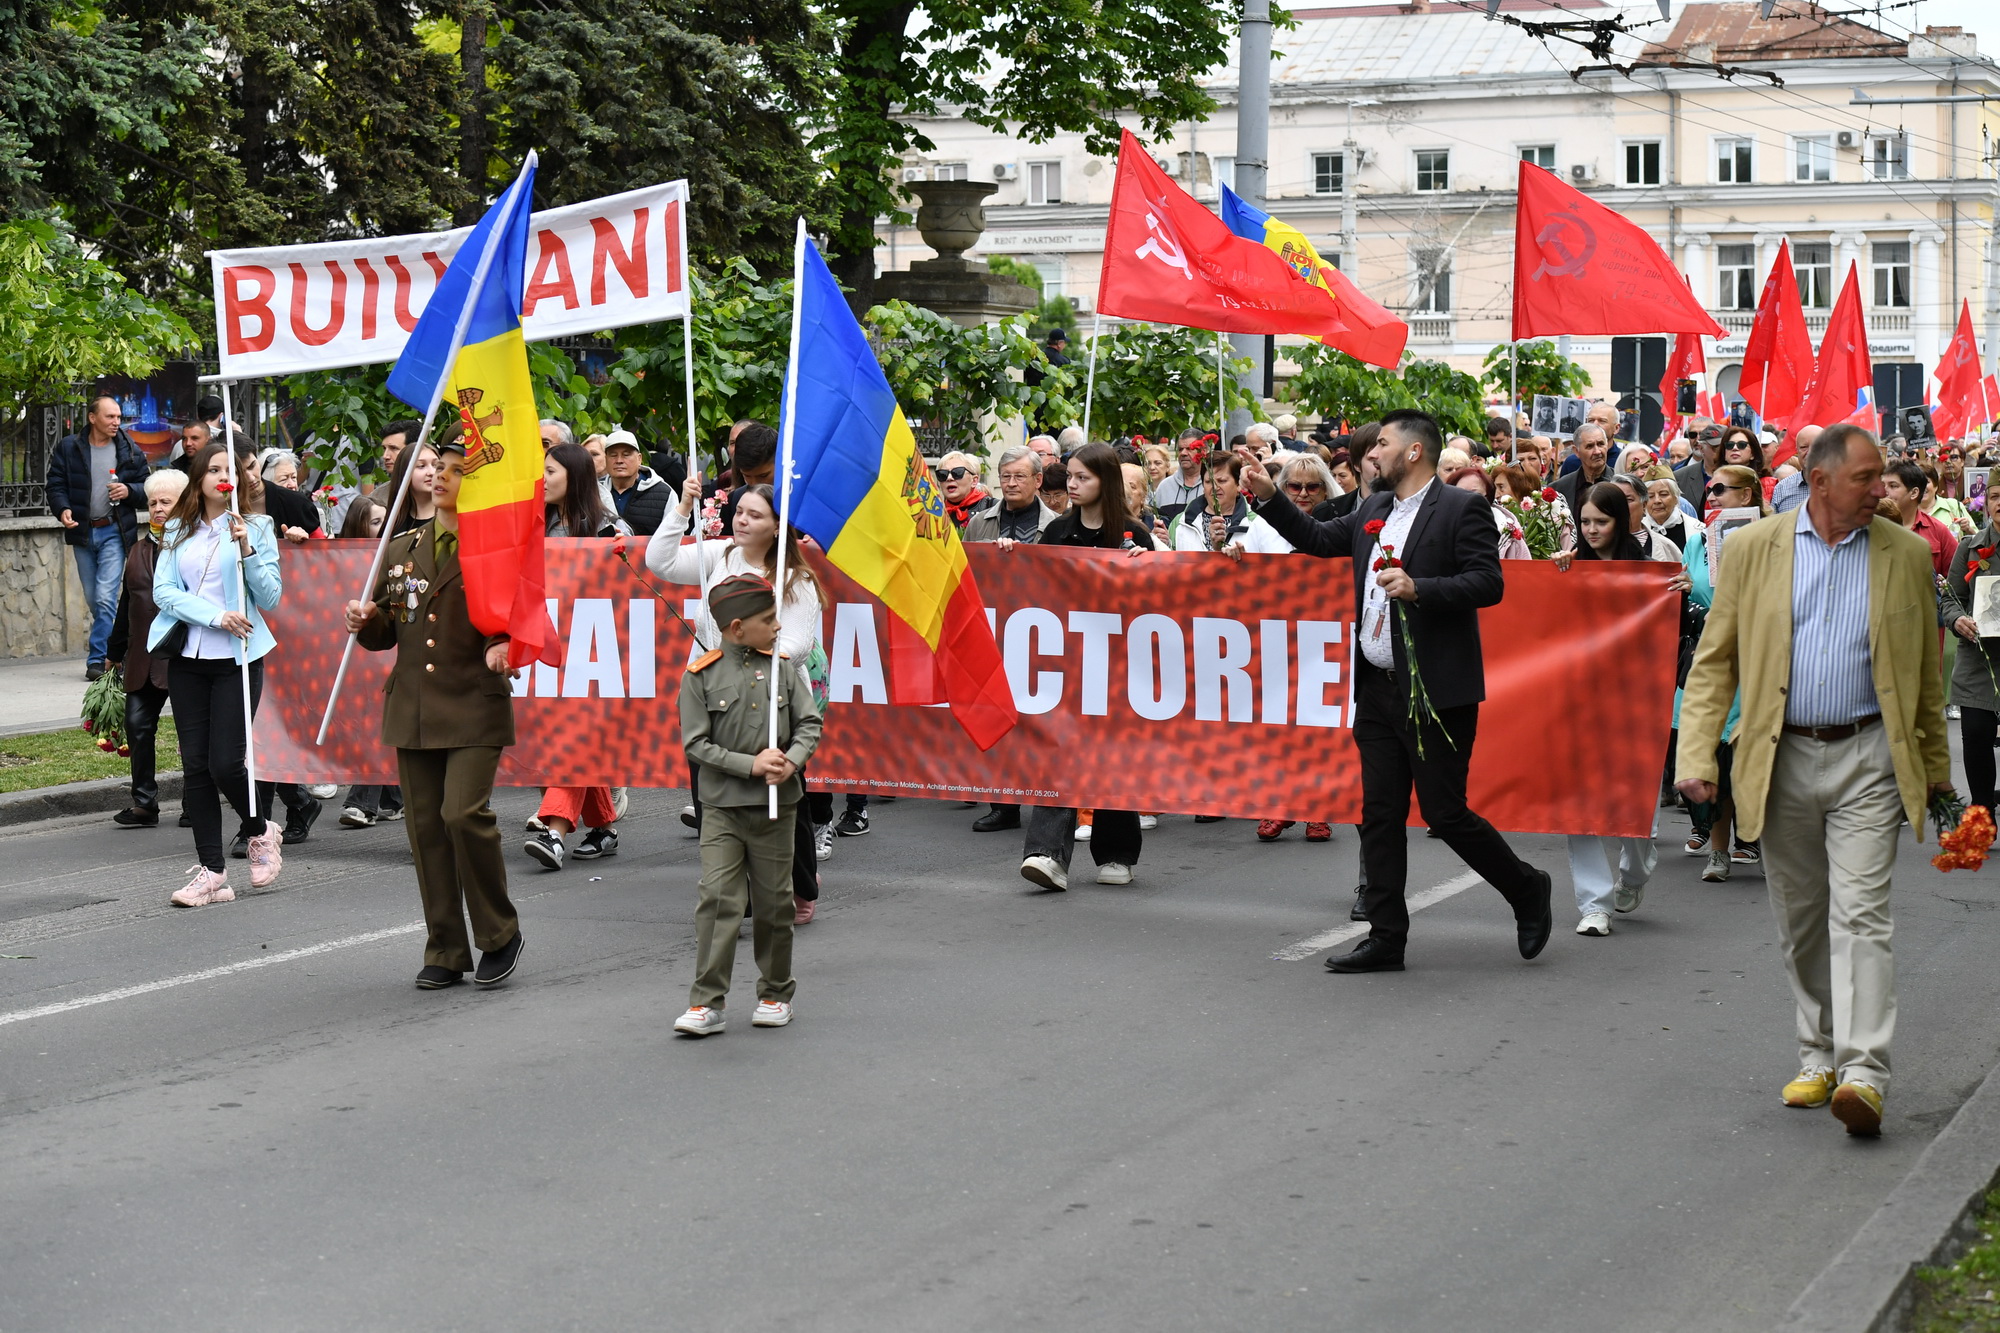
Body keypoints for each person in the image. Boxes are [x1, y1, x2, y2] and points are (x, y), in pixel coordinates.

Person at [1677, 423, 1949, 1138]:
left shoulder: (1909, 553)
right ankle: (1818, 1051)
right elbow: (1715, 663)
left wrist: (1939, 778)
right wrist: (1697, 756)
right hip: (1780, 755)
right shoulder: (1754, 549)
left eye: (1883, 476)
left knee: (1862, 914)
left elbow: (1925, 680)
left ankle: (1864, 1072)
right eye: (1866, 477)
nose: (1879, 488)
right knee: (1801, 920)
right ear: (1820, 480)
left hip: (1868, 757)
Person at [1237, 411, 1553, 970]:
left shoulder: (1462, 507)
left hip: (1435, 690)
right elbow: (1315, 538)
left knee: (1445, 813)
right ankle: (1386, 937)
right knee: (1378, 813)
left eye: (1382, 443)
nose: (1371, 453)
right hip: (1377, 687)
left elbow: (1488, 583)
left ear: (1412, 453)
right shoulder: (1373, 509)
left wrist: (1418, 587)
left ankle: (1526, 887)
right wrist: (1268, 496)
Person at [346, 434, 525, 990]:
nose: (442, 476)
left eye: (455, 469)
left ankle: (499, 932)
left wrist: (506, 645)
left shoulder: (497, 547)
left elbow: (525, 618)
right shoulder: (401, 548)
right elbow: (385, 633)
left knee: (461, 815)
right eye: (436, 468)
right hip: (416, 707)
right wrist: (364, 620)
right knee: (425, 829)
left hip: (473, 700)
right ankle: (446, 947)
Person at [650, 478, 834, 912]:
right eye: (739, 512)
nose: (743, 521)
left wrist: (738, 658)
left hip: (773, 701)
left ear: (776, 527)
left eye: (755, 515)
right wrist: (682, 508)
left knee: (781, 793)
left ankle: (801, 888)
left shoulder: (795, 577)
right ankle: (736, 886)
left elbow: (796, 644)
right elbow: (659, 562)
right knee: (712, 792)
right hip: (712, 698)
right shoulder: (719, 555)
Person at [672, 573, 824, 1037]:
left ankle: (776, 993)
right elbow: (696, 745)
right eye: (768, 619)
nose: (778, 627)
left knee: (775, 903)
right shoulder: (699, 677)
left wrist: (792, 762)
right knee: (718, 899)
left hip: (777, 807)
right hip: (721, 807)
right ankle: (706, 1002)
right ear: (737, 628)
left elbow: (809, 724)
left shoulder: (781, 668)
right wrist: (751, 765)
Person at [1001, 442, 1153, 890]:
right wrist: (1011, 559)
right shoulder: (1058, 532)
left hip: (1120, 670)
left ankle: (1117, 853)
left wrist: (1149, 567)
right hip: (1067, 665)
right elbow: (1037, 590)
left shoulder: (1134, 535)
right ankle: (1047, 854)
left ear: (1104, 482)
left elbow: (1159, 603)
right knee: (1061, 749)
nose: (1071, 483)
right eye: (1069, 475)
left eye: (1082, 477)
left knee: (1113, 754)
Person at [150, 443, 286, 907]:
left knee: (225, 762)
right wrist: (214, 616)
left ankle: (260, 829)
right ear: (199, 478)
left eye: (230, 468)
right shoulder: (176, 529)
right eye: (213, 468)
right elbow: (164, 592)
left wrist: (246, 547)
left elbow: (269, 597)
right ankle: (212, 873)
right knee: (195, 768)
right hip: (189, 656)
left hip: (239, 658)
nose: (223, 475)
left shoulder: (259, 527)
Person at [1550, 483, 1688, 935]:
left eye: (1601, 521)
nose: (1591, 530)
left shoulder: (1649, 571)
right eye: (1584, 521)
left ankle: (1634, 873)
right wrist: (1551, 576)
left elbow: (1677, 628)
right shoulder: (1568, 569)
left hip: (1636, 705)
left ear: (1620, 521)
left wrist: (1681, 592)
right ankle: (1594, 904)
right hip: (1580, 704)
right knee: (1581, 806)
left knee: (1637, 812)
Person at [107, 468, 188, 829]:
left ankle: (194, 803)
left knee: (191, 735)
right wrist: (113, 652)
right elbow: (127, 604)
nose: (157, 508)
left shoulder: (195, 546)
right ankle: (144, 803)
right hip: (143, 656)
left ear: (184, 504)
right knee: (137, 725)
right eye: (153, 502)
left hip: (186, 655)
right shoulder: (138, 550)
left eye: (166, 502)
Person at [47, 395, 149, 681]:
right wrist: (62, 509)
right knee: (95, 599)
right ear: (93, 418)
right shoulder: (69, 447)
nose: (117, 422)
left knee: (105, 598)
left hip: (115, 532)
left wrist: (129, 490)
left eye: (118, 417)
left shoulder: (129, 448)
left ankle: (99, 661)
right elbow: (55, 483)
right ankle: (121, 648)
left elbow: (147, 487)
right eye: (110, 417)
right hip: (82, 532)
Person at [1172, 451, 1288, 554]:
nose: (1215, 487)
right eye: (1208, 481)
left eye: (1222, 481)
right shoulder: (1181, 521)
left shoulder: (1258, 522)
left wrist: (1243, 559)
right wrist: (1162, 543)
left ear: (1238, 485)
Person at [1882, 457, 1957, 578]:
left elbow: (1956, 579)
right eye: (1883, 485)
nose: (1884, 491)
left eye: (1893, 486)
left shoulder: (1938, 531)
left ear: (1914, 493)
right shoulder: (1869, 528)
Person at [543, 441, 631, 539]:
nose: (542, 479)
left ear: (575, 476)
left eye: (550, 472)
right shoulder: (537, 523)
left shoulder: (609, 527)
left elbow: (633, 553)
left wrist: (621, 549)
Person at [603, 429, 672, 536]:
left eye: (626, 455)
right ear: (605, 459)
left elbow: (673, 537)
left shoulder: (664, 494)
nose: (619, 460)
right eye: (613, 455)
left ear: (639, 459)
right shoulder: (595, 493)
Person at [1554, 423, 1614, 517]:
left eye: (1601, 444)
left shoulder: (1620, 484)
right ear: (1576, 451)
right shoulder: (1560, 488)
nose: (1597, 451)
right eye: (1590, 446)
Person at [1152, 428, 1209, 521]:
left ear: (1204, 451)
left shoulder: (1213, 485)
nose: (1183, 453)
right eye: (1180, 449)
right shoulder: (1164, 487)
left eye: (1189, 449)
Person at [935, 450, 989, 529]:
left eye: (957, 472)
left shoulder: (993, 508)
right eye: (943, 474)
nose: (949, 478)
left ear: (974, 481)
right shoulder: (933, 514)